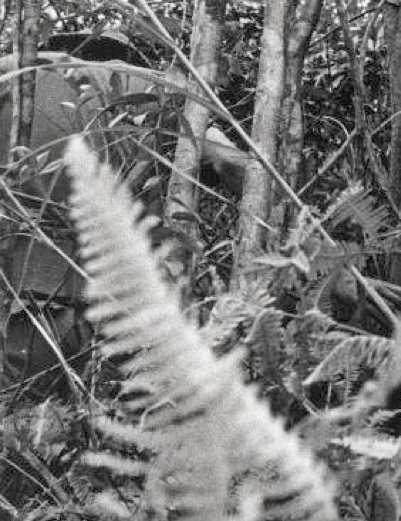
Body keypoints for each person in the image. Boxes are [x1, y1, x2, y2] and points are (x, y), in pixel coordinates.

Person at [0, 32, 247, 397]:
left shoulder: (14, 77)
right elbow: (230, 162)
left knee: (20, 431)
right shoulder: (146, 90)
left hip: (24, 299)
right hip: (122, 310)